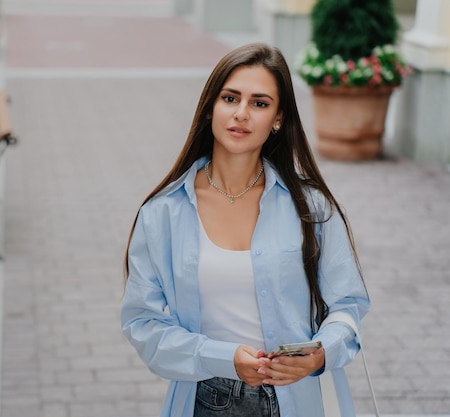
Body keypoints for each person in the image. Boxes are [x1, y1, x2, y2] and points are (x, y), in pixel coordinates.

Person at [120, 43, 370, 417]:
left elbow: (348, 304)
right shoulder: (162, 214)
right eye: (230, 98)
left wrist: (321, 352)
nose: (241, 113)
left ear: (278, 119)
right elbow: (143, 322)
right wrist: (221, 357)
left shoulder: (312, 207)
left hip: (299, 398)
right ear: (210, 108)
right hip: (208, 398)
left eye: (259, 103)